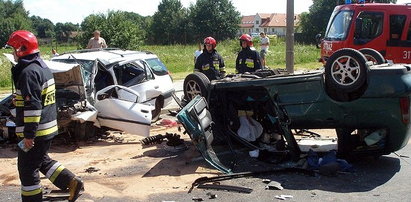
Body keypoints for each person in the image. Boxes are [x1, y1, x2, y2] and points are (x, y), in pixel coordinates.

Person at [6, 30, 84, 202]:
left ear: (21, 49)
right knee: (41, 161)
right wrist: (19, 99)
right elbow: (39, 98)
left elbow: (33, 106)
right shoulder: (41, 67)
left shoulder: (28, 73)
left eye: (14, 49)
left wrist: (28, 135)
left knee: (27, 170)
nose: (13, 53)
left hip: (36, 131)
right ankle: (71, 181)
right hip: (46, 128)